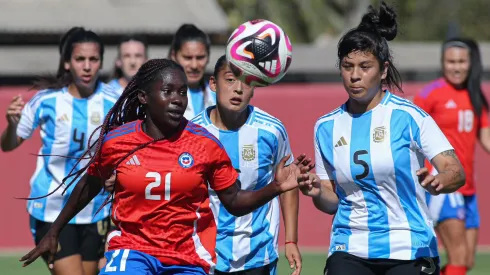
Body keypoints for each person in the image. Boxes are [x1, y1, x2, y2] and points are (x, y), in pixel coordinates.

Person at [19, 58, 312, 275]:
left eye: (182, 93)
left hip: (187, 256)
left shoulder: (205, 144)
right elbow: (89, 184)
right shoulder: (118, 141)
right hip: (133, 249)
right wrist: (54, 230)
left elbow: (234, 201)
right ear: (144, 98)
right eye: (168, 91)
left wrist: (276, 187)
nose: (177, 100)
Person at [297, 2, 466, 275]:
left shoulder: (410, 116)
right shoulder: (326, 127)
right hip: (349, 246)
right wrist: (316, 190)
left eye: (365, 66)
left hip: (409, 246)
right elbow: (331, 202)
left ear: (383, 70)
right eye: (347, 66)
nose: (354, 75)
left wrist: (440, 181)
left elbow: (455, 170)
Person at [1, 27, 115, 275]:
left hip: (95, 210)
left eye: (93, 60)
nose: (87, 66)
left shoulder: (114, 101)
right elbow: (8, 145)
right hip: (51, 208)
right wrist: (11, 126)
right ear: (66, 63)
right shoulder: (46, 100)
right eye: (79, 59)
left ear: (101, 63)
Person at [191, 55, 310, 275]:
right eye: (230, 80)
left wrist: (291, 240)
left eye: (246, 82)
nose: (238, 89)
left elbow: (287, 183)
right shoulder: (192, 133)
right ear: (213, 84)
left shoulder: (271, 130)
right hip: (203, 252)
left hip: (257, 252)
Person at [414, 38, 490, 275]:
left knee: (466, 261)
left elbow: (486, 138)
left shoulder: (475, 96)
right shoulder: (430, 94)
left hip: (468, 188)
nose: (456, 67)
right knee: (456, 255)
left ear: (470, 63)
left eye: (461, 62)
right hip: (445, 183)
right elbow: (408, 131)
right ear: (442, 63)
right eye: (451, 62)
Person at [169, 24, 216, 119]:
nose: (194, 65)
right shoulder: (162, 96)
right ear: (174, 56)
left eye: (200, 57)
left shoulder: (218, 95)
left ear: (208, 57)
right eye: (187, 58)